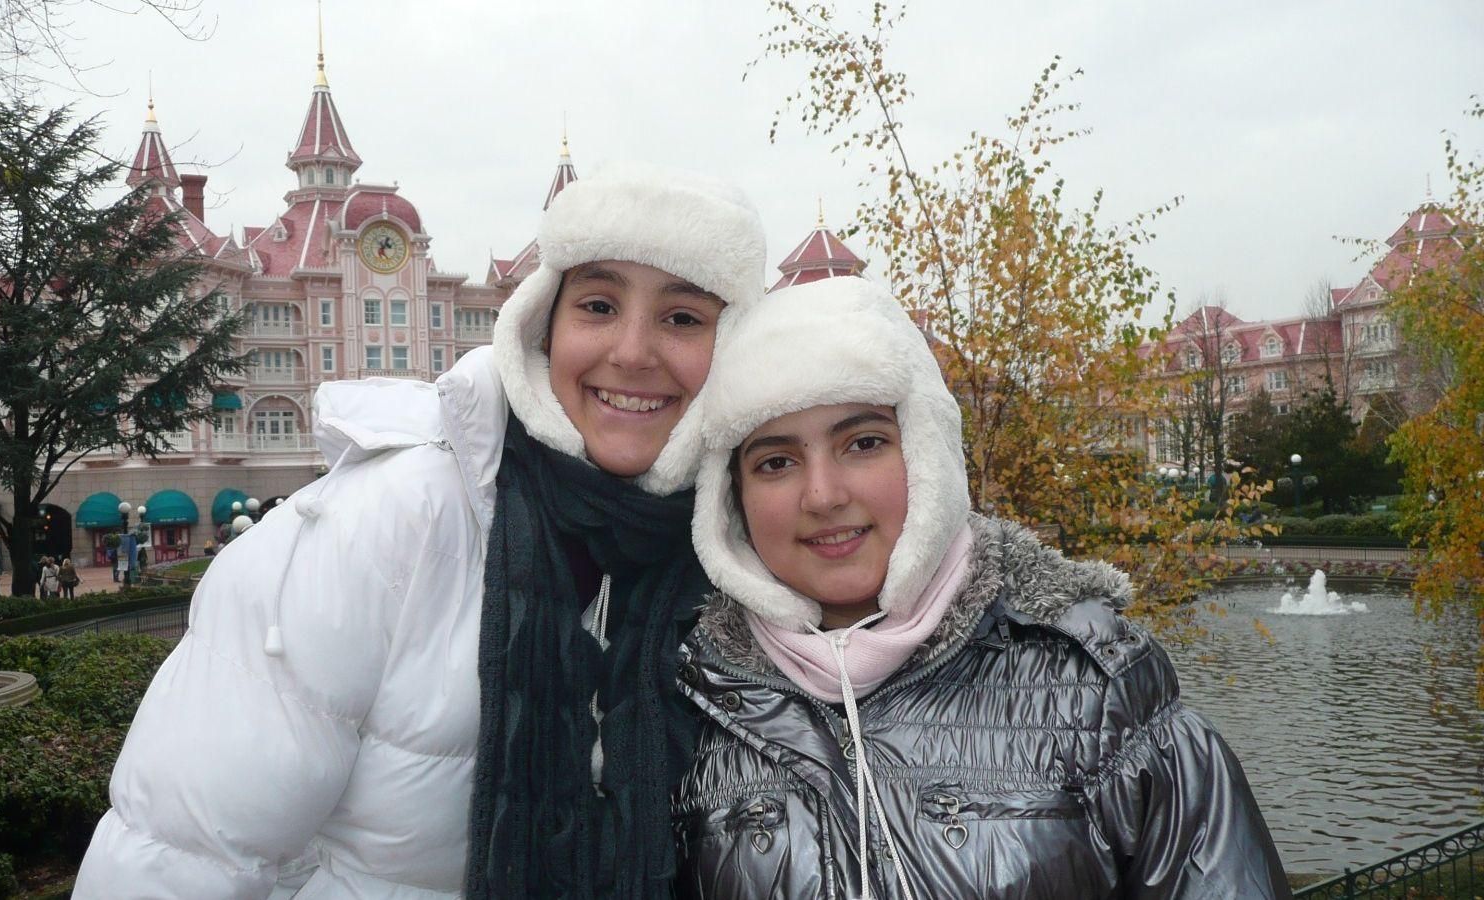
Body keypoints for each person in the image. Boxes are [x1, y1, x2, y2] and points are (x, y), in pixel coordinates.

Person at [73, 163, 767, 898]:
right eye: (598, 305)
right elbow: (182, 858)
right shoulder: (386, 522)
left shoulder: (740, 556)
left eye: (683, 317)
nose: (632, 352)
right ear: (540, 326)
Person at [674, 277, 1290, 899]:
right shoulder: (687, 701)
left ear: (927, 453)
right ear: (732, 500)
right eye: (776, 462)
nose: (824, 495)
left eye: (864, 443)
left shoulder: (1096, 686)